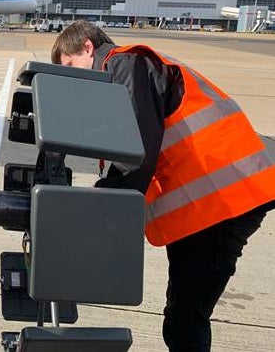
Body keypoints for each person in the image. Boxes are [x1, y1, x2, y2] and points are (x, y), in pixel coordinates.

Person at [51, 20, 275, 352]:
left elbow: (137, 148)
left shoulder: (124, 63)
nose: (73, 79)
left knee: (185, 321)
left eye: (71, 65)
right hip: (211, 202)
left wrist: (105, 200)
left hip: (225, 198)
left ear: (88, 47)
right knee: (183, 317)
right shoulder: (127, 73)